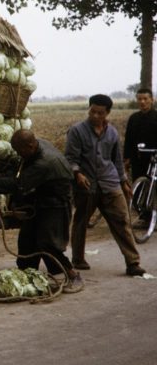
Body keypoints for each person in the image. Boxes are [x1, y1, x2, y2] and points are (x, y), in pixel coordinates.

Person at [0, 130, 83, 292]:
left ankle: (73, 275)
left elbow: (18, 184)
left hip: (56, 204)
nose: (18, 154)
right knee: (27, 240)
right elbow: (21, 168)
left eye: (19, 151)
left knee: (47, 243)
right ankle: (27, 275)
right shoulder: (37, 146)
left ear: (30, 146)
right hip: (41, 198)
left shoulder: (44, 162)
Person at [65, 94, 147, 276]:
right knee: (80, 222)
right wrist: (77, 173)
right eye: (92, 111)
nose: (95, 116)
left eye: (99, 113)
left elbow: (116, 160)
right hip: (86, 186)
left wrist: (124, 181)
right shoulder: (77, 131)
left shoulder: (112, 133)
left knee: (122, 221)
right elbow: (70, 158)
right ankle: (78, 258)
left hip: (110, 183)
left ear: (107, 113)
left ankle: (133, 262)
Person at [124, 87, 157, 181]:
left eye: (145, 99)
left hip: (154, 158)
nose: (142, 102)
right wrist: (127, 157)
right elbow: (128, 139)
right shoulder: (133, 118)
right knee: (138, 185)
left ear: (151, 100)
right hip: (137, 158)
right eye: (139, 99)